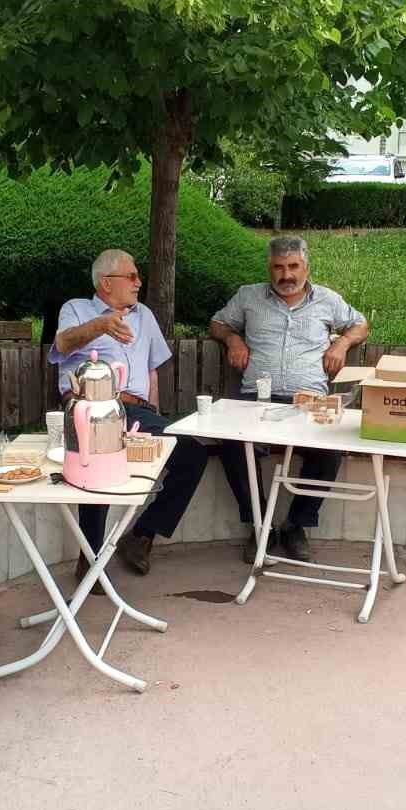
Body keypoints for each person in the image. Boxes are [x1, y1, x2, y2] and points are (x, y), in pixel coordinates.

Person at [209, 235, 370, 564]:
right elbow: (217, 323)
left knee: (330, 447)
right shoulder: (248, 296)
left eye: (293, 266)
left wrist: (341, 345)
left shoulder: (327, 299)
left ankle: (296, 525)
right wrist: (233, 338)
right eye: (279, 267)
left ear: (306, 267)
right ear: (269, 268)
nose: (286, 275)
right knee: (233, 445)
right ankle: (259, 526)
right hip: (257, 399)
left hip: (309, 401)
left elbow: (360, 324)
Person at [50, 249, 208, 578]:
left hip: (137, 412)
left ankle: (141, 536)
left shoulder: (144, 315)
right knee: (100, 458)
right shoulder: (77, 309)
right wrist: (100, 325)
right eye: (132, 276)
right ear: (107, 283)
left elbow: (150, 372)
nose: (139, 282)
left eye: (138, 276)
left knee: (190, 453)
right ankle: (90, 559)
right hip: (90, 407)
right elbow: (63, 344)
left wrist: (157, 418)